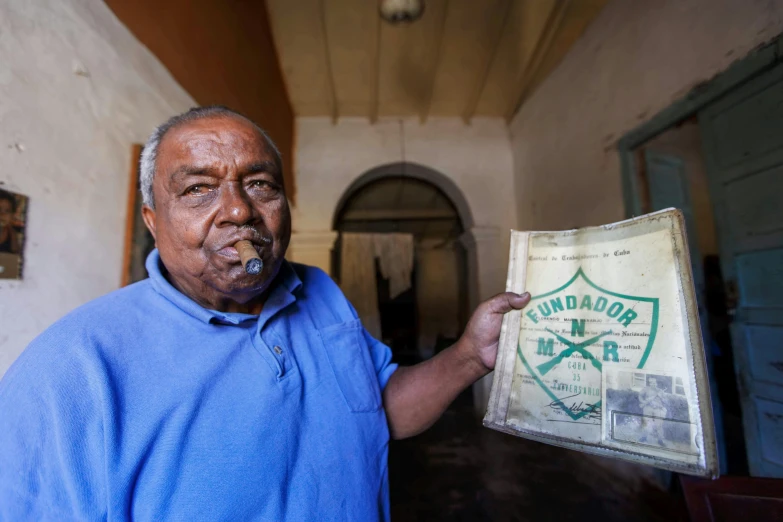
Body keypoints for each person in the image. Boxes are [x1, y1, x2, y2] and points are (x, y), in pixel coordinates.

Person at [0, 106, 531, 521]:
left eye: (260, 184)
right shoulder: (71, 369)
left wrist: (467, 356)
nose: (238, 210)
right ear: (153, 220)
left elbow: (380, 410)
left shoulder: (319, 292)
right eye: (198, 189)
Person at [638, 376, 669, 447]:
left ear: (657, 383)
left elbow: (666, 401)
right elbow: (640, 395)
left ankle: (660, 440)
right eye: (651, 382)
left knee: (659, 425)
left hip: (658, 409)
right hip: (647, 408)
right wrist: (643, 401)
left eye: (654, 382)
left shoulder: (660, 391)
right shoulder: (645, 389)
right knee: (645, 423)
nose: (652, 384)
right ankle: (644, 437)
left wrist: (661, 397)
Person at [0, 189, 20, 254]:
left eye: (7, 211)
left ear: (12, 216)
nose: (2, 215)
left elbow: (15, 255)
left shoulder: (12, 234)